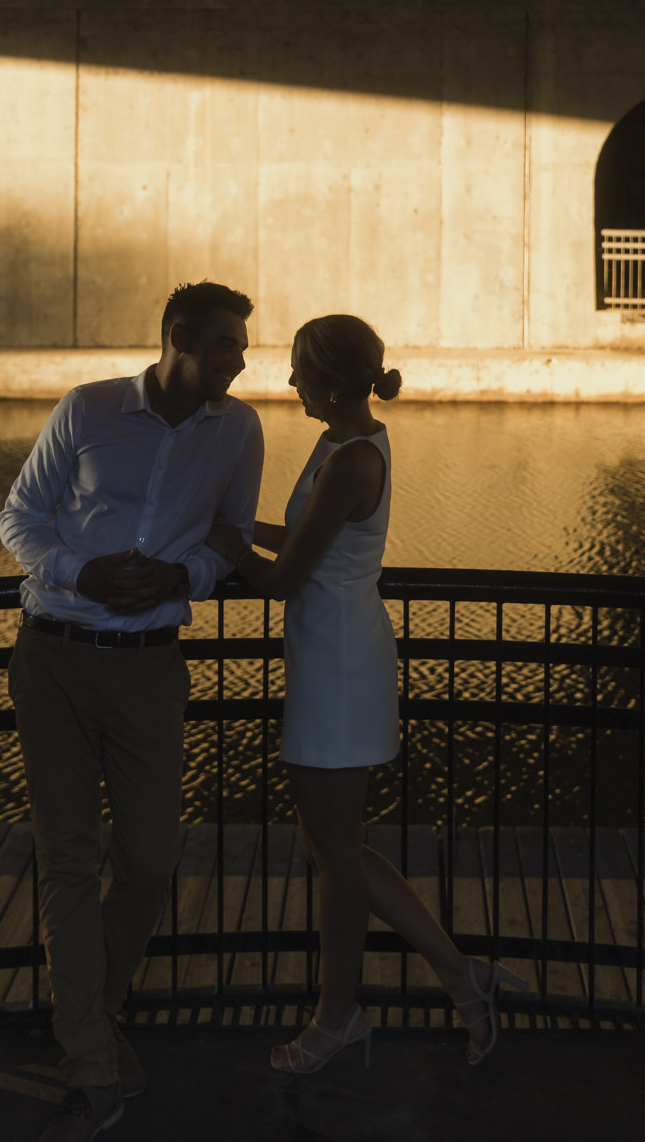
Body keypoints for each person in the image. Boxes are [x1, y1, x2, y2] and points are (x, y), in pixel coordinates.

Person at [208, 313, 526, 1074]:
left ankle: (338, 1017)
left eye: (297, 372)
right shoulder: (343, 441)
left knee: (335, 855)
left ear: (333, 381)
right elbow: (307, 537)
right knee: (335, 848)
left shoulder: (353, 458)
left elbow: (285, 580)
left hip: (341, 663)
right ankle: (460, 976)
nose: (288, 384)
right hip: (332, 653)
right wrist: (237, 525)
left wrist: (225, 546)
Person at [0, 282, 264, 1141]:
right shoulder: (87, 410)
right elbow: (20, 516)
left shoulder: (240, 430)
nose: (238, 361)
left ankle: (96, 1013)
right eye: (225, 346)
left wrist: (183, 577)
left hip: (152, 666)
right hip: (55, 655)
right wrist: (82, 572)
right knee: (69, 860)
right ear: (179, 338)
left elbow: (231, 534)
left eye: (240, 349)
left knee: (151, 857)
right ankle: (88, 1060)